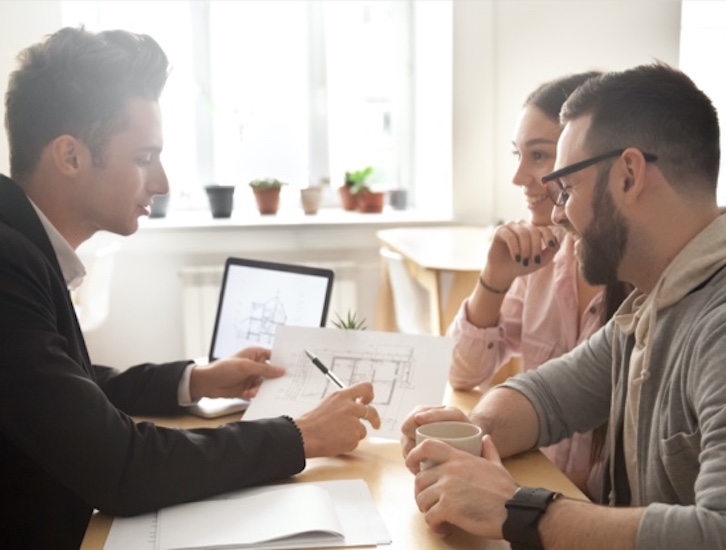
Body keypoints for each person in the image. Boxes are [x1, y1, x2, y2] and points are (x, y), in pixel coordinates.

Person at [0, 27, 381, 548]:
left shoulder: (21, 241)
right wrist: (301, 434)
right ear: (70, 156)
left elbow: (73, 388)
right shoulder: (7, 263)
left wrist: (197, 380)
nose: (160, 183)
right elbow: (120, 467)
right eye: (142, 158)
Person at [401, 62, 726, 548]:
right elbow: (546, 396)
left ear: (629, 176)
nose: (558, 213)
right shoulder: (652, 304)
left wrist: (519, 511)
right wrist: (468, 434)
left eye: (568, 189)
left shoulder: (716, 325)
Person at [447, 71, 631, 499]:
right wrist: (494, 279)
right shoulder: (544, 258)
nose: (518, 177)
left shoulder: (640, 276)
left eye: (540, 156)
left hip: (590, 515)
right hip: (539, 491)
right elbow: (463, 371)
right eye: (518, 154)